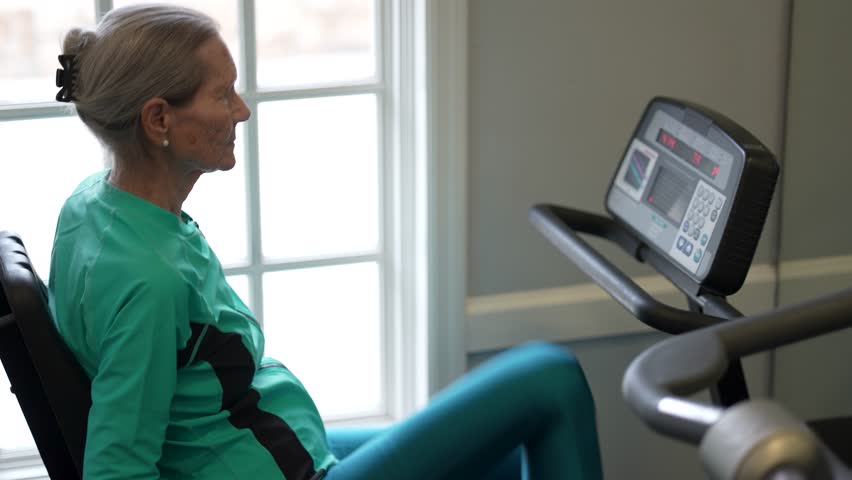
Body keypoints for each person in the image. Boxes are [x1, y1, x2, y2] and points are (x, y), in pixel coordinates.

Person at [49, 4, 602, 479]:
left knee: (512, 455)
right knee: (549, 377)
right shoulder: (152, 281)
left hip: (274, 443)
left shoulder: (93, 206)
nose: (241, 110)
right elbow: (116, 467)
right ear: (158, 119)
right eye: (223, 96)